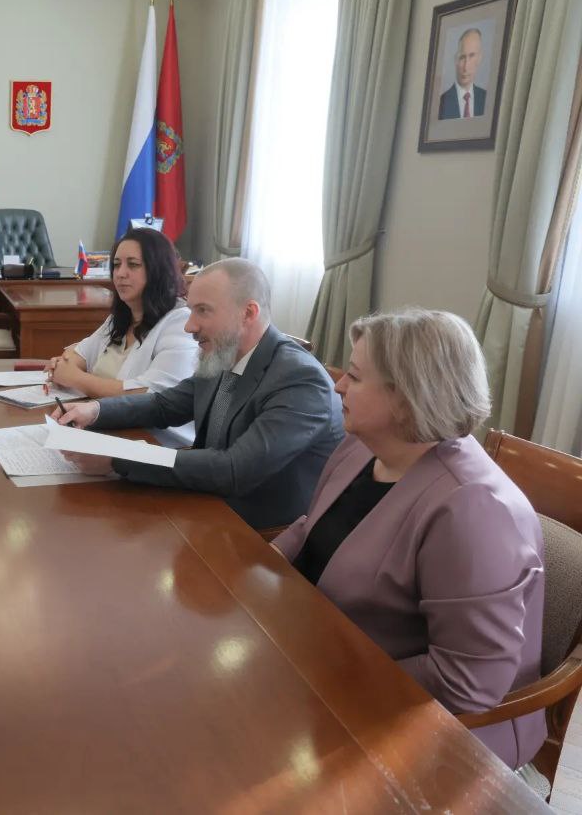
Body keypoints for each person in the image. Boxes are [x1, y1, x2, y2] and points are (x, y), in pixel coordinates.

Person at [272, 309, 544, 769]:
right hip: (320, 660)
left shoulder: (472, 510)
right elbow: (311, 526)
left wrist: (335, 677)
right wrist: (256, 569)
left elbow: (466, 682)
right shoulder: (363, 444)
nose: (338, 386)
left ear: (407, 399)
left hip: (430, 734)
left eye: (355, 376)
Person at [53, 258, 343, 530]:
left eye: (203, 311)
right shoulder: (225, 352)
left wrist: (119, 458)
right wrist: (95, 410)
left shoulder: (300, 380)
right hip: (205, 503)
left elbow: (234, 470)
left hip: (257, 532)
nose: (189, 326)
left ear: (248, 313)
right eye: (191, 310)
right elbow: (164, 405)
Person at [43, 228, 198, 446]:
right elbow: (77, 355)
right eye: (116, 265)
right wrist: (65, 367)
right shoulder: (120, 318)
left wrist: (74, 378)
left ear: (158, 270)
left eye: (133, 265)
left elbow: (149, 396)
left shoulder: (180, 323)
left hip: (153, 442)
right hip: (107, 431)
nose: (120, 273)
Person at [438, 28, 487, 120]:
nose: (466, 66)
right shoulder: (440, 104)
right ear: (455, 60)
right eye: (462, 57)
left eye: (472, 56)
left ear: (479, 58)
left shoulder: (487, 99)